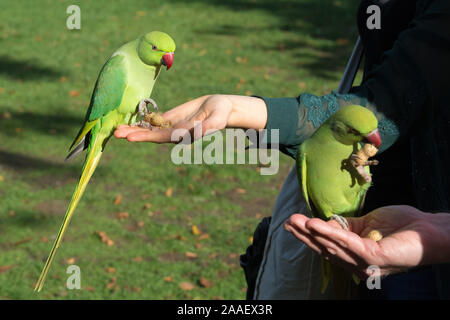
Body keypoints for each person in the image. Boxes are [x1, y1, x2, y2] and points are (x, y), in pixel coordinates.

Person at [115, 0, 450, 299]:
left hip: (421, 224)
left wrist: (437, 236)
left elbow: (385, 107)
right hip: (381, 217)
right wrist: (231, 109)